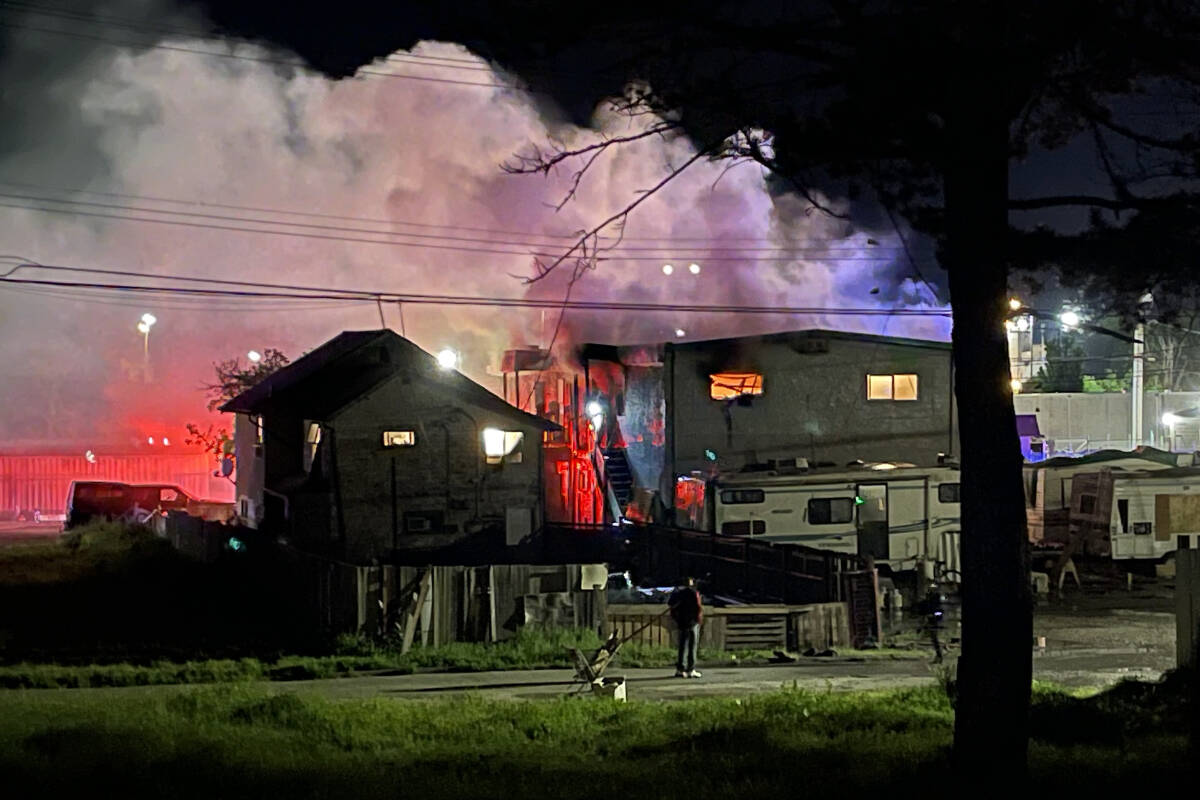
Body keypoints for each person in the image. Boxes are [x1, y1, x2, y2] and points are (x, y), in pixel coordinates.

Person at [668, 577, 703, 678]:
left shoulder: (677, 594)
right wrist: (698, 620)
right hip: (692, 622)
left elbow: (671, 606)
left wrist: (676, 619)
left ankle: (680, 669)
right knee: (692, 646)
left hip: (682, 622)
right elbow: (698, 607)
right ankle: (691, 669)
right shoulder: (693, 593)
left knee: (682, 646)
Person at [917, 581, 946, 664]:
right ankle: (938, 656)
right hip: (931, 620)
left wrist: (933, 614)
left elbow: (941, 612)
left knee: (935, 639)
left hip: (937, 621)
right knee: (933, 639)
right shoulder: (929, 598)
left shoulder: (938, 598)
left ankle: (939, 656)